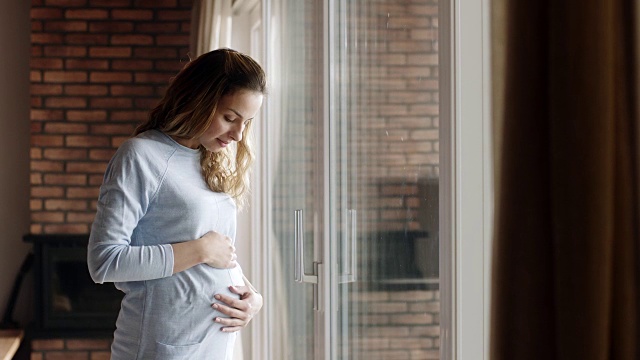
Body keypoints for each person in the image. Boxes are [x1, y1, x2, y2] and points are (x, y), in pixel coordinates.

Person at [87, 48, 265, 360]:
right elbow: (104, 262)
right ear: (199, 100)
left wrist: (253, 297)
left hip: (215, 345)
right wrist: (200, 249)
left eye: (246, 122)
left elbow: (220, 252)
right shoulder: (141, 156)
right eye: (229, 118)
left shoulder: (211, 159)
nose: (238, 134)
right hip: (162, 347)